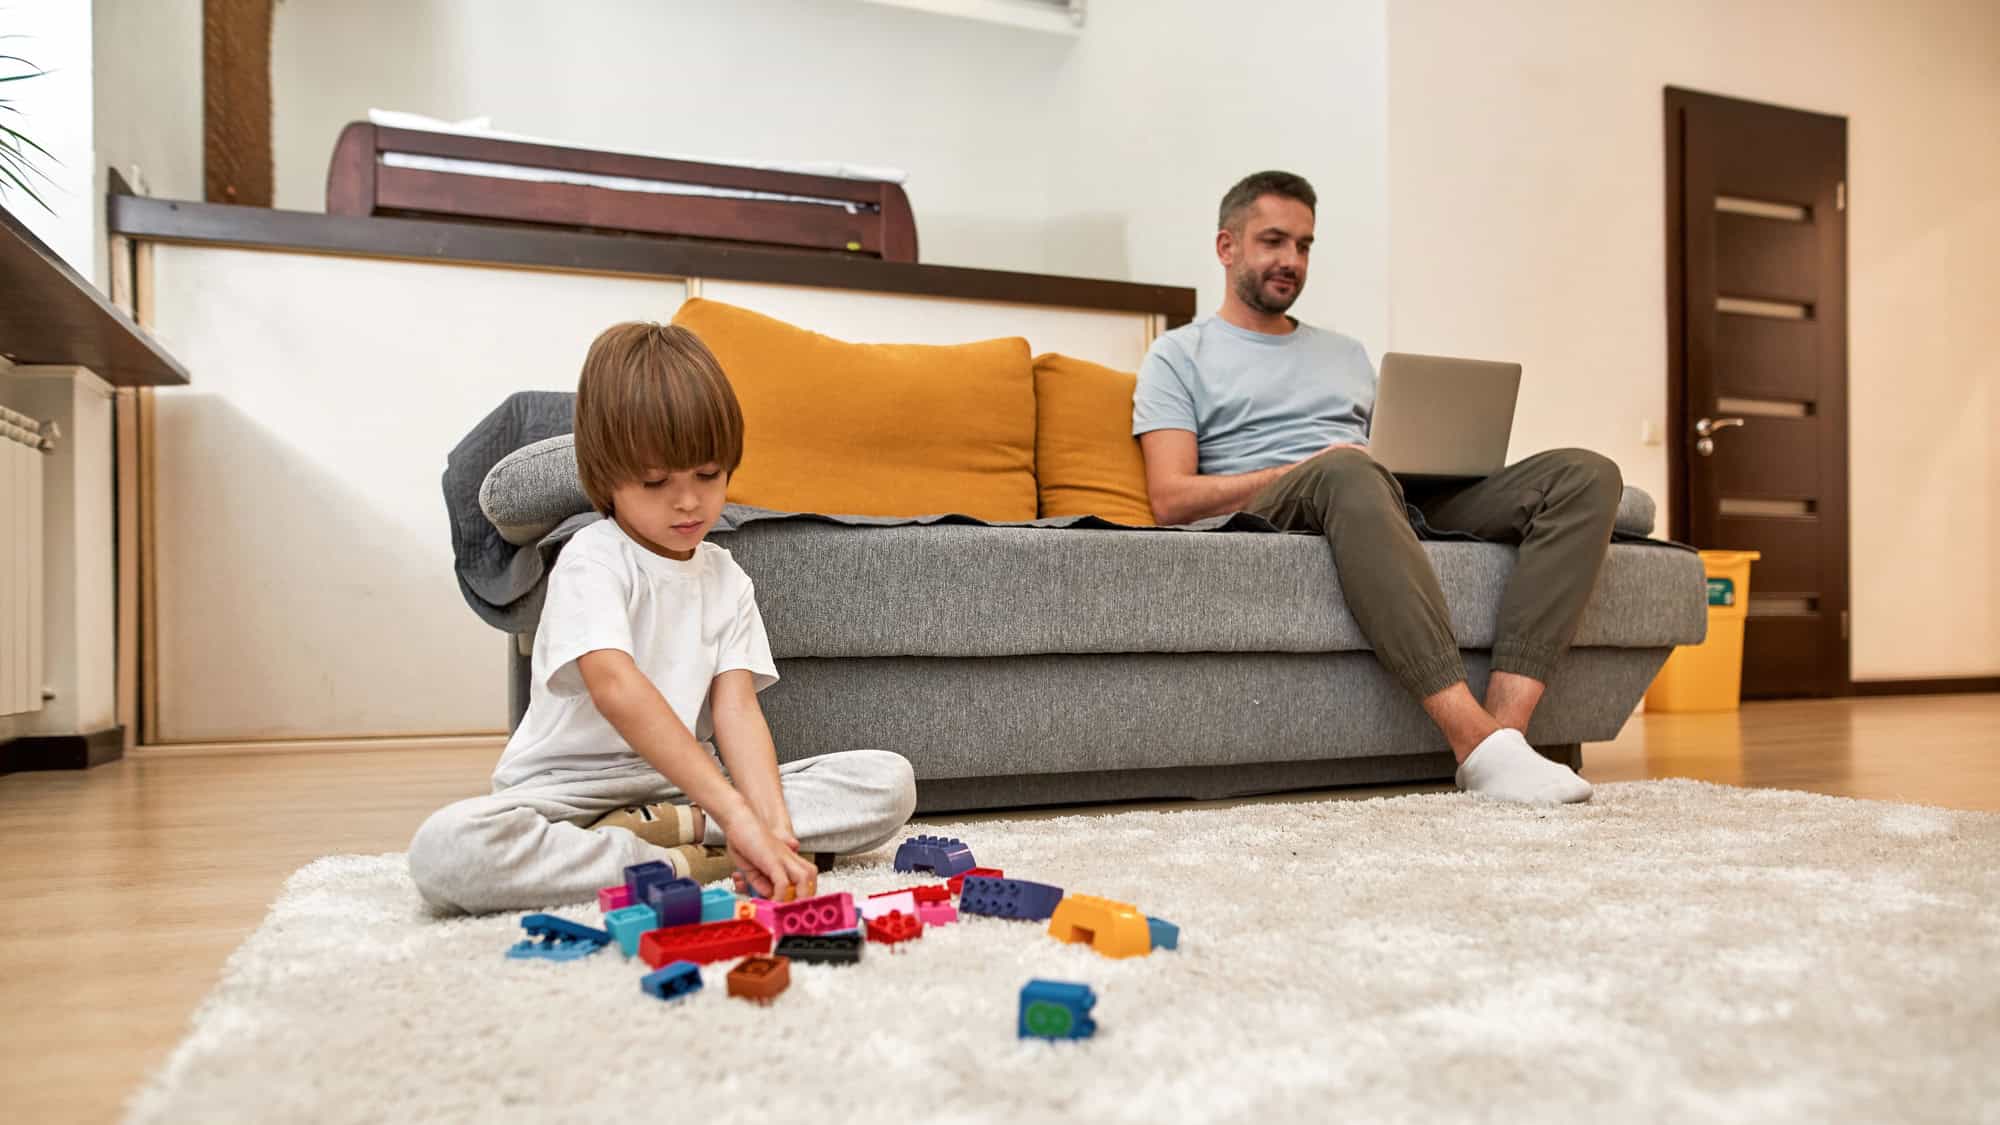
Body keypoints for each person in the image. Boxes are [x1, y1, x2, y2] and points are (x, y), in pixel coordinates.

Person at [1134, 171, 1622, 804]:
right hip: (1281, 503)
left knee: (1586, 474)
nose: (1291, 261)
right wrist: (1304, 468)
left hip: (1371, 491)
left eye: (1304, 245)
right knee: (1349, 469)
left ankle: (1507, 740)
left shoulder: (1344, 353)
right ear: (1227, 247)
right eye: (1273, 241)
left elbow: (1382, 453)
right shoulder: (1179, 355)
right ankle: (1474, 743)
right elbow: (1170, 498)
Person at [410, 323, 916, 913]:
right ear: (606, 479)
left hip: (683, 791)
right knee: (448, 852)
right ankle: (682, 859)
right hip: (570, 795)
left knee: (888, 780)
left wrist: (772, 828)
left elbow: (736, 707)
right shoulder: (592, 559)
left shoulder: (726, 577)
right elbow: (616, 688)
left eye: (707, 475)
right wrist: (735, 817)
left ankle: (689, 838)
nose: (688, 501)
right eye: (656, 482)